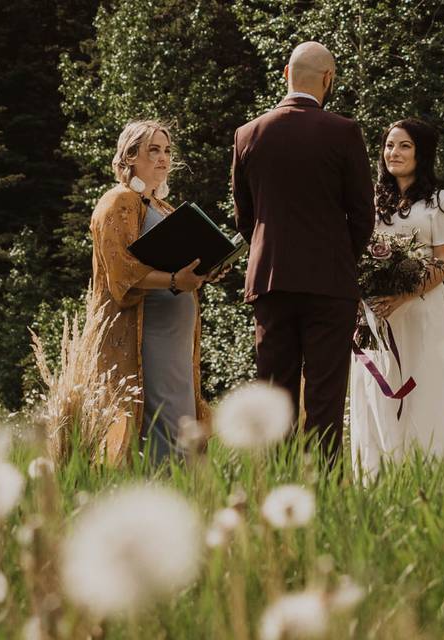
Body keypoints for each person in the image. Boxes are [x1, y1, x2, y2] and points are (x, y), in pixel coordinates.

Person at [232, 41, 376, 464]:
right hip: (330, 281)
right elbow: (362, 213)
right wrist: (338, 257)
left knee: (274, 393)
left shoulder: (248, 133)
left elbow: (246, 217)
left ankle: (275, 486)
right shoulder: (343, 131)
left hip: (271, 279)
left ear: (284, 74)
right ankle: (325, 488)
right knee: (325, 395)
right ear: (329, 79)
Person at [350, 118, 444, 480]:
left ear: (422, 152)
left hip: (421, 311)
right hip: (376, 315)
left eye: (404, 145)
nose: (394, 152)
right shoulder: (371, 201)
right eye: (390, 145)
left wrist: (402, 295)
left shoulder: (442, 202)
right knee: (376, 391)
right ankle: (381, 475)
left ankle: (437, 471)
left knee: (426, 386)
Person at [91, 119, 210, 464]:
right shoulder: (118, 201)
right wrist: (174, 281)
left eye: (167, 151)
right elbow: (121, 271)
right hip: (147, 337)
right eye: (153, 150)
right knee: (160, 424)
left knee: (184, 422)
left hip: (177, 339)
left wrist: (209, 266)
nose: (163, 158)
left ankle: (188, 498)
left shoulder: (163, 207)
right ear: (129, 157)